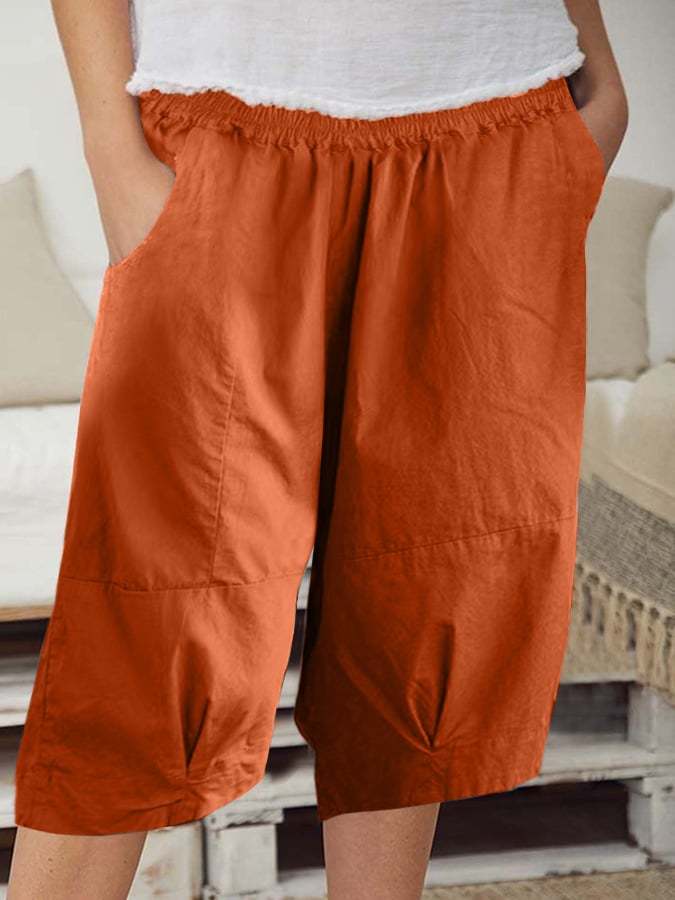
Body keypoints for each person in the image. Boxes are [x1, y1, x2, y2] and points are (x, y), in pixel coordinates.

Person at [8, 1, 627, 897]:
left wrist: (598, 86)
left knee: (426, 589)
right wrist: (113, 147)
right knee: (154, 606)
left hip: (496, 127)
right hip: (230, 130)